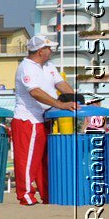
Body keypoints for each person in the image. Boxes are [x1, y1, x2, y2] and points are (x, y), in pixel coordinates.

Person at [11, 34, 76, 205]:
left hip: (44, 118)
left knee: (44, 161)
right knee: (27, 161)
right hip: (28, 119)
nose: (51, 51)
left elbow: (61, 84)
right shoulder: (27, 67)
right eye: (49, 48)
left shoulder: (48, 66)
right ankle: (25, 195)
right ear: (41, 51)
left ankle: (47, 195)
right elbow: (35, 92)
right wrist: (59, 104)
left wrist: (75, 100)